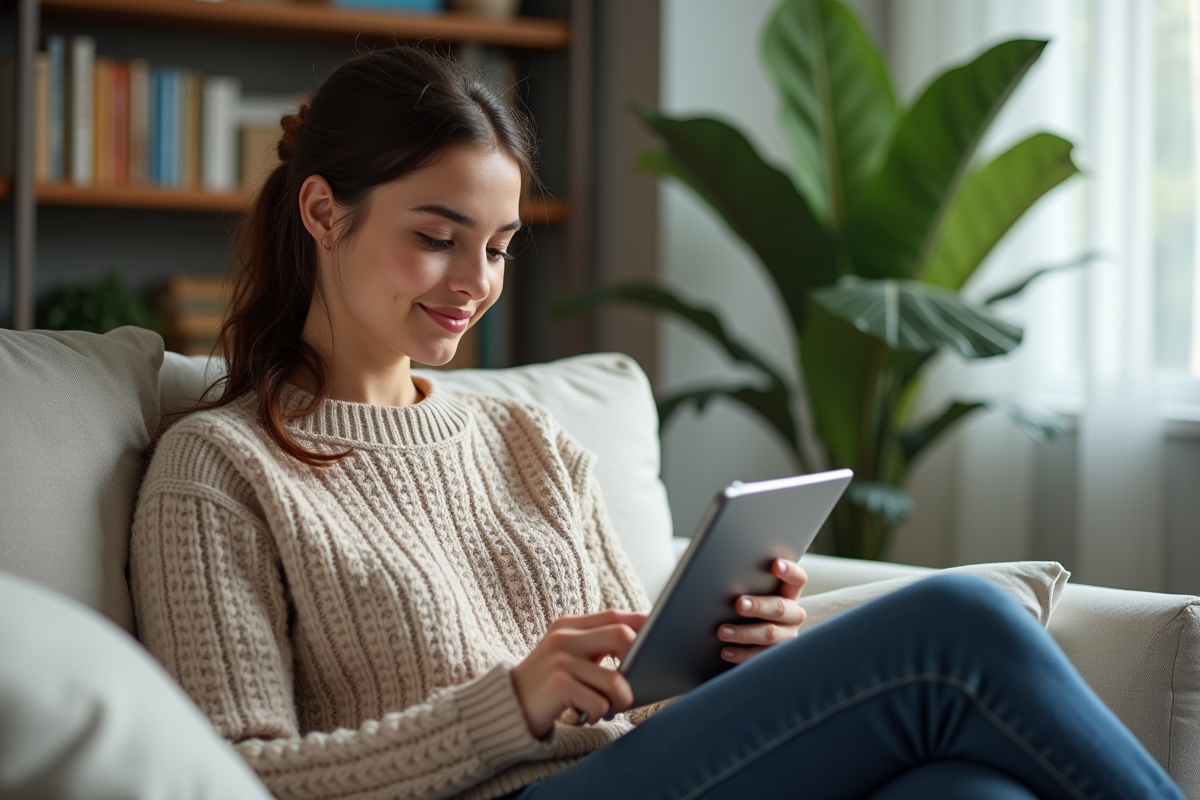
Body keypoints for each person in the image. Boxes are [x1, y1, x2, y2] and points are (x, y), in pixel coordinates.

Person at [129, 46, 1183, 800]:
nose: (474, 281)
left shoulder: (531, 441)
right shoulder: (219, 466)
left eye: (497, 246)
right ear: (324, 212)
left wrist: (736, 662)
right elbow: (235, 773)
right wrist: (510, 705)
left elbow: (639, 712)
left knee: (963, 786)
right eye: (438, 236)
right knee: (965, 622)